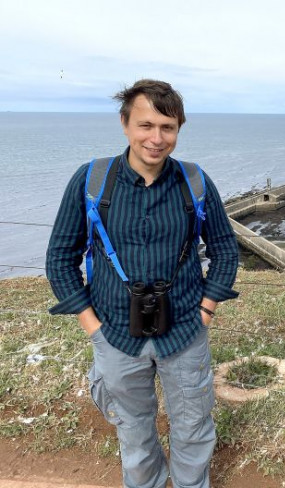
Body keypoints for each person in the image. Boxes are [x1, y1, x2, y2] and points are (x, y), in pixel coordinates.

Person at [46, 79, 240, 488]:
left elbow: (225, 250)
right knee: (132, 431)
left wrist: (205, 312)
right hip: (115, 334)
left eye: (167, 128)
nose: (156, 138)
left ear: (178, 129)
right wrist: (93, 329)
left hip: (185, 331)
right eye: (145, 125)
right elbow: (60, 258)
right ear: (125, 124)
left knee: (193, 427)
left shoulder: (194, 181)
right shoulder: (92, 180)